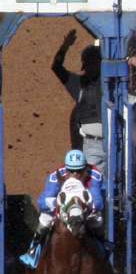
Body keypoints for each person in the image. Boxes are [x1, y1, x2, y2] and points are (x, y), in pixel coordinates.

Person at [20, 149, 106, 265]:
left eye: (79, 171)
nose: (75, 175)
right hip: (62, 209)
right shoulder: (56, 176)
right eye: (71, 171)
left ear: (86, 169)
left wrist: (82, 206)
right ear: (66, 169)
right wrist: (59, 203)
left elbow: (98, 202)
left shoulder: (95, 175)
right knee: (45, 218)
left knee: (97, 219)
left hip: (84, 210)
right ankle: (33, 250)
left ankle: (103, 251)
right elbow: (42, 202)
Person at [52, 30, 106, 177]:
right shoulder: (79, 84)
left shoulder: (112, 83)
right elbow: (56, 67)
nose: (91, 67)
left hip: (113, 143)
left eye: (95, 63)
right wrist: (65, 46)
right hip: (91, 146)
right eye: (89, 63)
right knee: (94, 182)